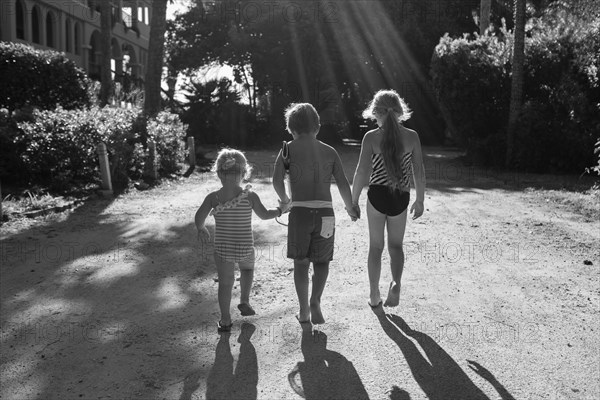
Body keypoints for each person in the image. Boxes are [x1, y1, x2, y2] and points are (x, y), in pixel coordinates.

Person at [273, 103, 358, 324]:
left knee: (301, 263)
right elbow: (342, 184)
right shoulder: (329, 151)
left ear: (291, 128)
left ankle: (303, 310)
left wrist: (285, 201)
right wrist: (350, 208)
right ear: (317, 127)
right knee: (322, 262)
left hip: (300, 212)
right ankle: (316, 300)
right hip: (326, 215)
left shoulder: (287, 150)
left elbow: (276, 179)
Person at [195, 148, 284, 333]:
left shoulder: (214, 198)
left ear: (219, 172)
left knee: (226, 283)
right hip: (245, 246)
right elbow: (265, 214)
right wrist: (281, 211)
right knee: (247, 269)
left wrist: (201, 228)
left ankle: (225, 319)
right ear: (244, 173)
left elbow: (199, 216)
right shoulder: (250, 196)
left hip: (223, 248)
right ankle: (244, 300)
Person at [351, 89, 425, 308]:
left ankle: (374, 295)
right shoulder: (412, 137)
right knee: (396, 246)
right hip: (400, 197)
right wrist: (420, 199)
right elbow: (418, 170)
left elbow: (361, 172)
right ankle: (396, 283)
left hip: (377, 195)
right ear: (400, 111)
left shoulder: (371, 137)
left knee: (375, 247)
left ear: (376, 112)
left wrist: (353, 202)